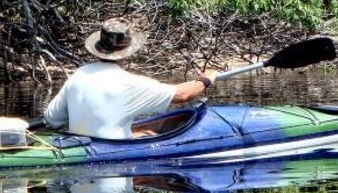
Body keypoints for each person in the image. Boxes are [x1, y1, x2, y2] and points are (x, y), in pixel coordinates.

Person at [42, 17, 218, 140]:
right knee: (145, 133)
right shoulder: (129, 83)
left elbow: (52, 119)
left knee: (141, 132)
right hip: (108, 153)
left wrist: (197, 80)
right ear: (126, 51)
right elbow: (182, 96)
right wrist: (206, 80)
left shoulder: (79, 74)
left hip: (84, 145)